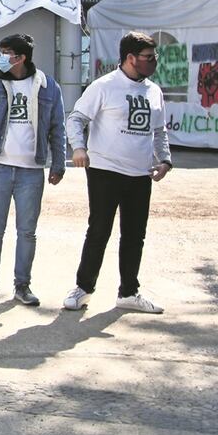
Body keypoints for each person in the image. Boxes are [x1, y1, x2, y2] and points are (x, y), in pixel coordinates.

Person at [64, 31, 172, 314]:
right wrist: (78, 148)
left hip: (140, 174)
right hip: (105, 171)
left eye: (154, 57)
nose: (153, 62)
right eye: (148, 58)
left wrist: (165, 160)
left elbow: (159, 131)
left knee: (135, 234)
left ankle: (128, 292)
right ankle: (83, 289)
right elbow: (76, 119)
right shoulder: (104, 86)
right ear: (130, 58)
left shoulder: (153, 91)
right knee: (99, 230)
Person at [0, 34, 66, 307]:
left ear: (20, 58)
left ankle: (22, 285)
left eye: (6, 53)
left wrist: (58, 163)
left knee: (27, 231)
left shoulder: (47, 86)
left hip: (31, 171)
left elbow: (58, 127)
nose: (1, 57)